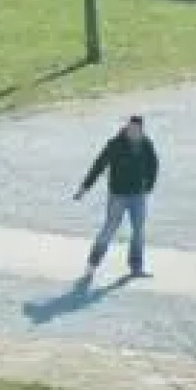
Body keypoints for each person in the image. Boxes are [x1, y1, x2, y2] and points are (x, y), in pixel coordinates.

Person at [73, 115, 159, 278]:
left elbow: (153, 164)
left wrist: (149, 185)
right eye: (130, 128)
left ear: (141, 130)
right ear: (127, 128)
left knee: (138, 231)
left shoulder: (146, 144)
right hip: (118, 196)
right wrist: (84, 188)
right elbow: (98, 165)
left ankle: (136, 267)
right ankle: (92, 264)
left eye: (137, 129)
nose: (133, 132)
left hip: (138, 196)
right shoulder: (115, 144)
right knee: (109, 229)